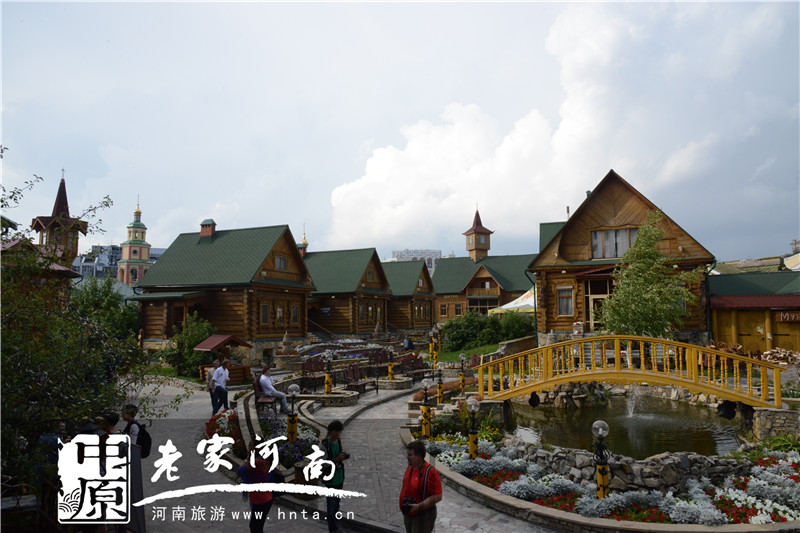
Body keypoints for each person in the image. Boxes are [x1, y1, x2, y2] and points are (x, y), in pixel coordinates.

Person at [399, 440, 442, 533]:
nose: (407, 457)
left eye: (410, 455)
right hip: (409, 513)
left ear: (419, 456)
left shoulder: (430, 472)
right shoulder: (410, 467)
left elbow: (438, 496)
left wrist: (419, 506)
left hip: (422, 517)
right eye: (407, 454)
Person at [238, 441, 277, 533]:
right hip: (266, 497)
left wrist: (248, 457)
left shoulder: (256, 462)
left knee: (255, 527)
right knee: (258, 526)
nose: (249, 447)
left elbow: (240, 471)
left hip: (260, 500)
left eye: (251, 445)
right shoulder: (266, 459)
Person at [321, 420, 349, 533]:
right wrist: (335, 460)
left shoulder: (339, 441)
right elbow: (322, 463)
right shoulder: (325, 445)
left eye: (339, 432)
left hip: (339, 478)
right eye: (336, 431)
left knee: (336, 505)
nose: (338, 434)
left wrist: (343, 457)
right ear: (331, 431)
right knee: (331, 506)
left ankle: (335, 527)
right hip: (331, 479)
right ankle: (333, 530)